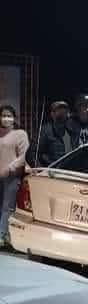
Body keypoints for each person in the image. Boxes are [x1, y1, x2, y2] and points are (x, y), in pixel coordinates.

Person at [0, 105, 29, 246]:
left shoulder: (20, 134)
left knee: (7, 207)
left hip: (11, 176)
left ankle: (2, 235)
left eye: (9, 115)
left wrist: (10, 168)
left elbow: (24, 156)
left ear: (14, 118)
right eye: (3, 115)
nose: (6, 118)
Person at [37, 100, 72, 166]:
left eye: (64, 111)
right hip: (51, 172)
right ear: (52, 114)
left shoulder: (71, 131)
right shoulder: (45, 131)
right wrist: (40, 171)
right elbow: (34, 154)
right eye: (59, 111)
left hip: (68, 170)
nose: (62, 113)